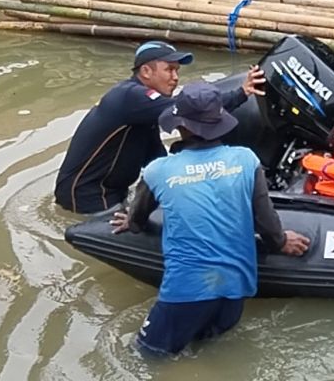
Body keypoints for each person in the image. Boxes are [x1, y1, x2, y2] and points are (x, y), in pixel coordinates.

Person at [110, 83, 310, 356]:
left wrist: (130, 223)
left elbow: (137, 218)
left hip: (186, 291)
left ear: (182, 126)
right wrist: (282, 241)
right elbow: (265, 220)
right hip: (236, 289)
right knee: (208, 351)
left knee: (146, 356)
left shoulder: (158, 171)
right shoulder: (246, 160)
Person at [55, 41, 265, 213]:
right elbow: (189, 109)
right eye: (169, 70)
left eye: (177, 71)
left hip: (112, 190)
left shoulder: (144, 110)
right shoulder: (131, 96)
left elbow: (156, 159)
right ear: (146, 71)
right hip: (87, 195)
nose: (175, 77)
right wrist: (241, 93)